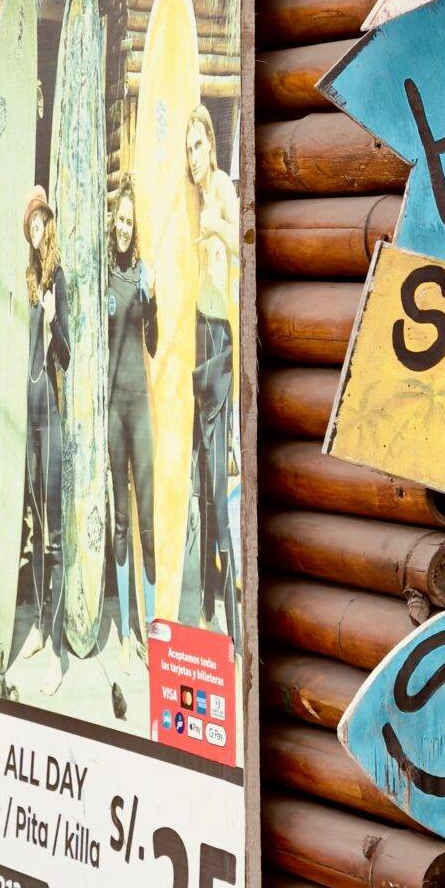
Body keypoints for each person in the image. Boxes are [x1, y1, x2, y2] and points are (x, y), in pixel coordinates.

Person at [182, 101, 240, 642]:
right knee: (201, 480)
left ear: (211, 146)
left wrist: (216, 226)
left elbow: (243, 247)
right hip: (198, 334)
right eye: (188, 149)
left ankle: (229, 605)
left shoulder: (220, 189)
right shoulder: (192, 197)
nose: (193, 157)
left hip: (222, 335)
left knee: (219, 484)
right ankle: (205, 602)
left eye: (198, 145)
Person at [104, 173, 157, 677]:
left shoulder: (140, 275)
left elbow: (155, 344)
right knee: (120, 522)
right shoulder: (103, 277)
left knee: (146, 518)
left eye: (129, 221)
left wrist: (154, 300)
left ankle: (151, 631)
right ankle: (124, 634)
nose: (123, 228)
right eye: (118, 219)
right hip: (112, 414)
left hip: (139, 406)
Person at [17, 188, 70, 677]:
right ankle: (37, 625)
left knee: (54, 536)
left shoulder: (59, 280)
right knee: (34, 529)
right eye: (30, 229)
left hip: (51, 416)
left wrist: (55, 326)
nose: (36, 235)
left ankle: (56, 650)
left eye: (39, 226)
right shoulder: (32, 283)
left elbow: (66, 355)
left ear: (49, 224)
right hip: (29, 420)